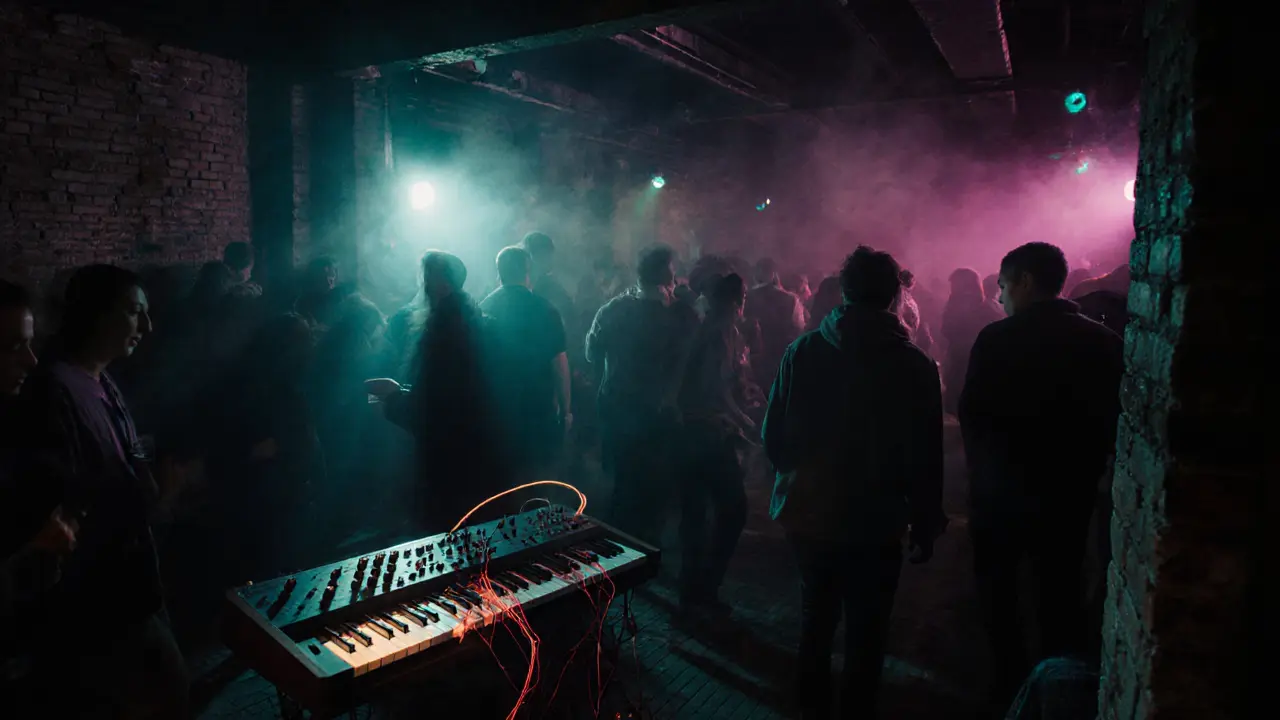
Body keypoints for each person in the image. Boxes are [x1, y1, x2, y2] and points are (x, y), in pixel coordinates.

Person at [764, 247, 945, 719]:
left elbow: (773, 436)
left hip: (809, 512)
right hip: (877, 518)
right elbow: (927, 455)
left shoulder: (802, 350)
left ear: (843, 292)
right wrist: (925, 521)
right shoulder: (915, 365)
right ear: (894, 296)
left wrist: (794, 479)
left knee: (815, 621)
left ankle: (809, 709)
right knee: (868, 631)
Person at [15, 265, 189, 718]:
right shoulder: (54, 390)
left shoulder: (102, 378)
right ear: (96, 315)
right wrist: (160, 497)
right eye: (135, 313)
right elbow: (63, 505)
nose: (147, 327)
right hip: (102, 604)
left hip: (132, 584)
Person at [959, 242, 1124, 711]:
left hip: (1000, 498)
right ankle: (1055, 692)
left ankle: (1008, 686)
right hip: (1068, 498)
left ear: (1026, 282)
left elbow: (974, 416)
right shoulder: (1103, 342)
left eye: (1003, 285)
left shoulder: (997, 340)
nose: (1000, 296)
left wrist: (981, 479)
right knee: (1059, 593)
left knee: (999, 596)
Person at [367, 251, 508, 532]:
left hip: (448, 462)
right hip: (483, 456)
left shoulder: (443, 330)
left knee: (445, 544)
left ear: (440, 282)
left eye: (426, 278)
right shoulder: (481, 322)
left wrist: (393, 400)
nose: (422, 287)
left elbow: (435, 409)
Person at [586, 245, 697, 545]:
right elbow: (691, 363)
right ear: (668, 274)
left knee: (623, 483)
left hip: (619, 407)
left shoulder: (613, 309)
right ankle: (646, 550)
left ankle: (619, 551)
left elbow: (591, 351)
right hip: (659, 412)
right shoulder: (681, 314)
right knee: (655, 485)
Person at [676, 273, 753, 617]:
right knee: (732, 509)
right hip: (703, 432)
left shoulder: (717, 330)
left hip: (699, 431)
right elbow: (713, 390)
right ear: (736, 303)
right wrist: (744, 421)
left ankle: (693, 590)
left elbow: (728, 382)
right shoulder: (714, 334)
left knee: (697, 514)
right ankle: (702, 588)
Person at [481, 246, 571, 481]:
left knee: (502, 482)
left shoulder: (484, 308)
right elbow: (559, 364)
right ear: (528, 271)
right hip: (537, 409)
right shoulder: (545, 309)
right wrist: (565, 409)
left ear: (499, 272)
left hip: (498, 410)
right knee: (538, 482)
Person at [941, 268, 1002, 414]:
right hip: (977, 361)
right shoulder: (987, 305)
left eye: (954, 284)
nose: (952, 288)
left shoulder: (960, 304)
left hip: (964, 359)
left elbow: (948, 330)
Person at [745, 257, 806, 392]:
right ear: (774, 274)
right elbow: (799, 329)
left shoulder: (747, 297)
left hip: (755, 359)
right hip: (781, 356)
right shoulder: (790, 299)